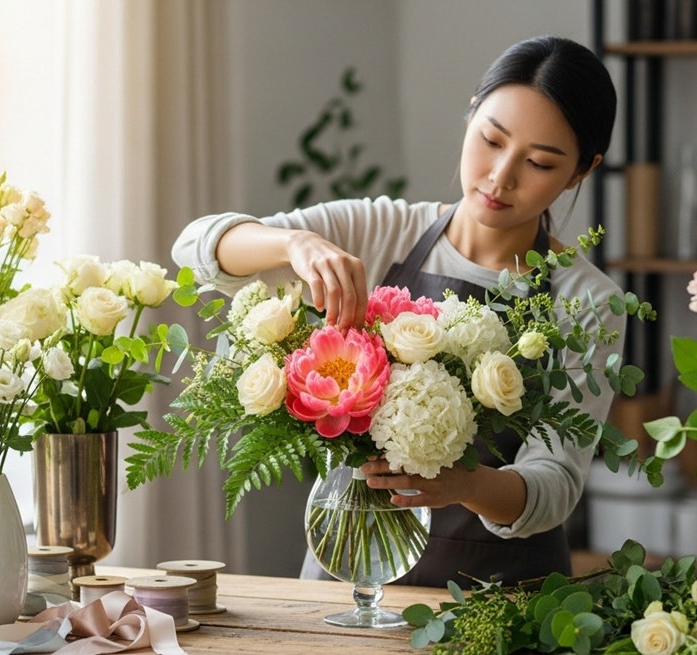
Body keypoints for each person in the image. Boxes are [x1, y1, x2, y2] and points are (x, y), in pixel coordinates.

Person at [172, 34, 624, 588]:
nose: (500, 176)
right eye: (490, 139)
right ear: (470, 116)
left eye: (538, 163)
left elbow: (554, 484)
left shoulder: (587, 300)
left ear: (582, 170)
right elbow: (197, 247)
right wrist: (295, 245)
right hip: (346, 576)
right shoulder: (384, 229)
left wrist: (466, 485)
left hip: (502, 600)